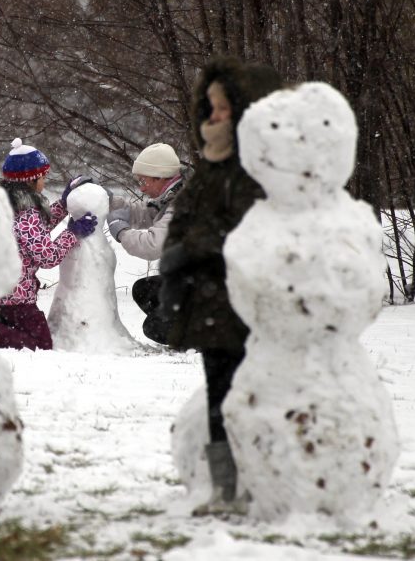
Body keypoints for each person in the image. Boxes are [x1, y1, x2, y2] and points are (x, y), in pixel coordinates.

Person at [159, 56, 283, 514]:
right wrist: (175, 261)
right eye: (208, 108)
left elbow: (243, 229)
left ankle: (250, 483)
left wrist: (190, 249)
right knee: (219, 394)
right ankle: (225, 486)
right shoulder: (212, 163)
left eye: (222, 109)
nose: (212, 118)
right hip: (208, 302)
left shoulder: (251, 169)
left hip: (237, 302)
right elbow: (189, 218)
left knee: (238, 396)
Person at [0, 138, 97, 350]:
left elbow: (36, 232)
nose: (45, 182)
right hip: (15, 300)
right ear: (31, 179)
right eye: (43, 177)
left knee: (30, 340)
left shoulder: (9, 205)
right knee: (39, 344)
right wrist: (72, 233)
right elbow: (47, 257)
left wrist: (63, 205)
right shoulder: (27, 214)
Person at [105, 143, 184, 344]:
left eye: (144, 180)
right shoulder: (174, 195)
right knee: (145, 290)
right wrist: (109, 201)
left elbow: (152, 245)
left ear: (159, 177)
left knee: (155, 328)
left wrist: (121, 231)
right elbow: (146, 212)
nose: (141, 187)